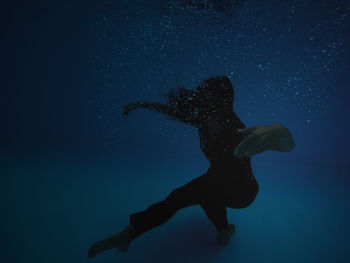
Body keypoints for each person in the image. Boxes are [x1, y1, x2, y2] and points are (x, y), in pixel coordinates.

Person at [87, 76, 295, 258]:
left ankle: (130, 234)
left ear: (221, 103)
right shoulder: (202, 120)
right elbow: (171, 111)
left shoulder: (236, 131)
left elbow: (285, 146)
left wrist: (280, 130)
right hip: (215, 182)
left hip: (241, 191)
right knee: (198, 194)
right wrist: (140, 104)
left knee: (190, 194)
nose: (202, 108)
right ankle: (222, 231)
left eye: (209, 101)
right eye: (201, 98)